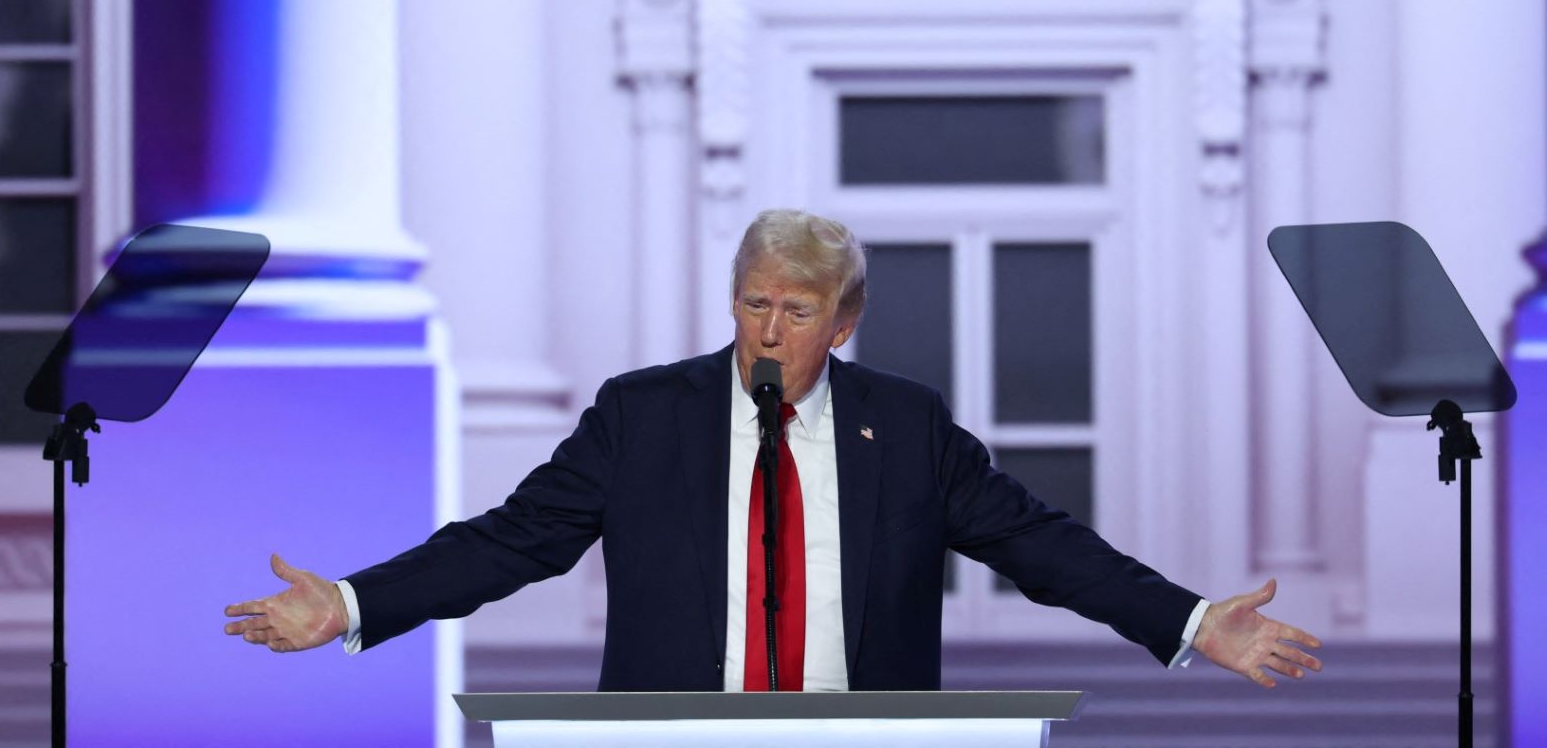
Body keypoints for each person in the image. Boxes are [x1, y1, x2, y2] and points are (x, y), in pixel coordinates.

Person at [225, 209, 1322, 691]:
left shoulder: (907, 426)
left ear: (842, 323)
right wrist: (355, 602)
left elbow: (1043, 547)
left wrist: (1189, 620)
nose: (767, 329)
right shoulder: (643, 416)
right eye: (754, 302)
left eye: (796, 310)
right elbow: (511, 541)